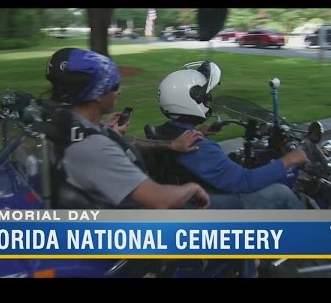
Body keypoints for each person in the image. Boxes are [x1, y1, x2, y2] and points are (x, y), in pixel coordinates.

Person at [44, 47, 209, 210]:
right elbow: (160, 200)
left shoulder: (62, 123)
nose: (119, 92)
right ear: (98, 94)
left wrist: (109, 132)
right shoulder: (95, 147)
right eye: (114, 86)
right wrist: (193, 188)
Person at [154, 60, 309, 210]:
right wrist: (289, 159)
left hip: (189, 194)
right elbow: (245, 181)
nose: (209, 100)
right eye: (206, 96)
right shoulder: (200, 148)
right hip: (212, 205)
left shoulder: (167, 132)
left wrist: (198, 131)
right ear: (191, 100)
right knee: (282, 193)